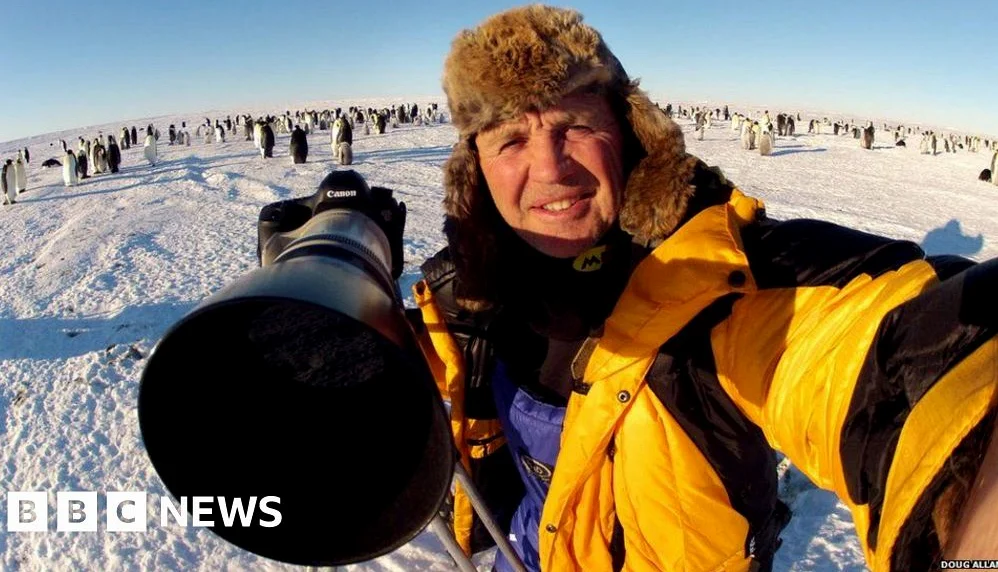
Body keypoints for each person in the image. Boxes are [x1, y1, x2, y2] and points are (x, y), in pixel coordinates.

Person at [404, 5, 997, 572]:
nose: (552, 167)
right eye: (510, 140)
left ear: (630, 133)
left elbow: (879, 354)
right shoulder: (469, 296)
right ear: (475, 168)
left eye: (576, 126)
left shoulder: (720, 284)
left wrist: (972, 488)